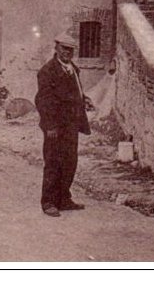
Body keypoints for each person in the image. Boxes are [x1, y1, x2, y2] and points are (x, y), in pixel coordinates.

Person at [35, 37, 91, 217]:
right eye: (64, 49)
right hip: (55, 125)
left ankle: (64, 198)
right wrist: (50, 125)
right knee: (53, 162)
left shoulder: (72, 69)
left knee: (70, 162)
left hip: (71, 123)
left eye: (71, 50)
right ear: (57, 48)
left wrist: (85, 99)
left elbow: (75, 91)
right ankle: (49, 201)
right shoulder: (47, 71)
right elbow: (43, 100)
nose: (68, 53)